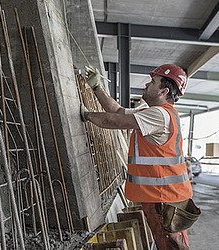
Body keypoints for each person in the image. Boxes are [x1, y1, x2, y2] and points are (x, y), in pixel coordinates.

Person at [81, 64, 194, 250]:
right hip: (164, 197)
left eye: (152, 82)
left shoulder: (160, 115)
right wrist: (96, 87)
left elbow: (113, 121)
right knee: (167, 243)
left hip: (163, 199)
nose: (146, 85)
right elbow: (117, 111)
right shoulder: (155, 113)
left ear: (163, 91)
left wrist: (86, 115)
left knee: (170, 245)